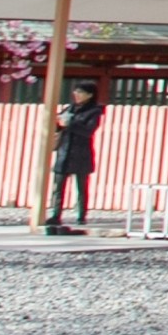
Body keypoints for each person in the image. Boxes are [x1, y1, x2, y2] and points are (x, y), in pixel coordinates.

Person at [43, 78, 106, 236]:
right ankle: (55, 215)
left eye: (80, 92)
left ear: (90, 95)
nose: (76, 94)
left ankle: (81, 215)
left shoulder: (94, 111)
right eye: (76, 91)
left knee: (81, 186)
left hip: (81, 152)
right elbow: (57, 126)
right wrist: (58, 123)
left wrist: (70, 124)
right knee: (58, 186)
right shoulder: (68, 108)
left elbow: (88, 130)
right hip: (64, 150)